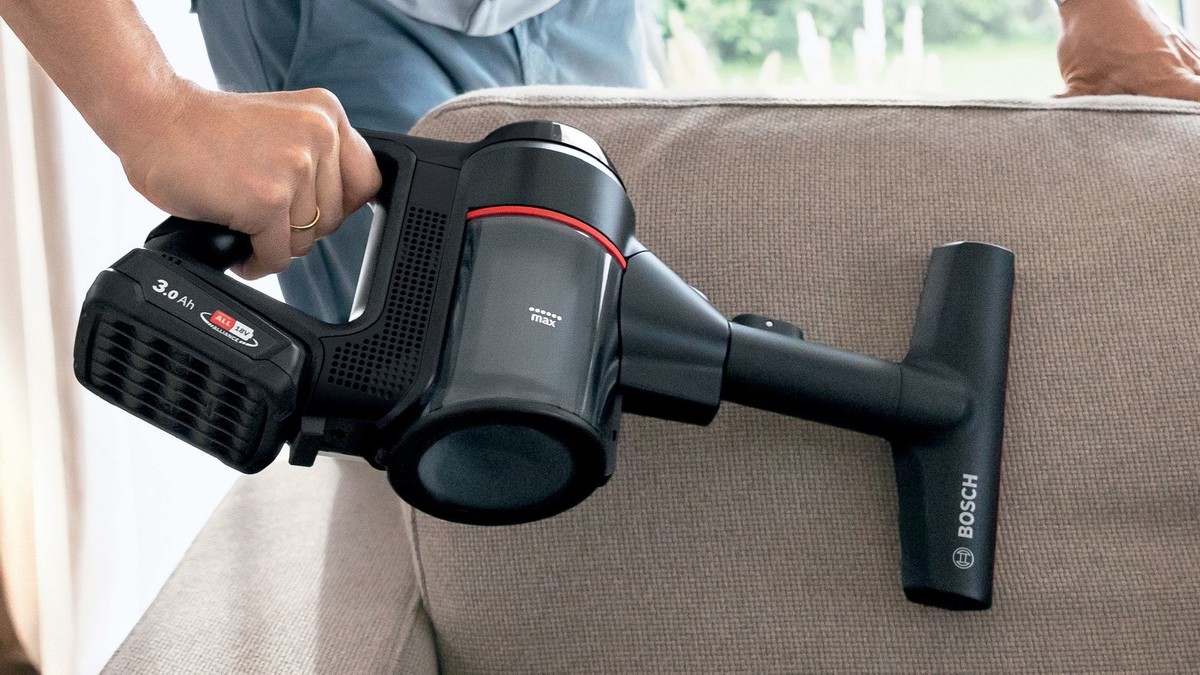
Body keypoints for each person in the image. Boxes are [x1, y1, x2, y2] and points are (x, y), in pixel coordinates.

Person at [1, 0, 1198, 320]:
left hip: (581, 11)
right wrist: (151, 110)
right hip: (341, 22)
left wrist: (1102, 13)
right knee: (438, 399)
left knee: (617, 325)